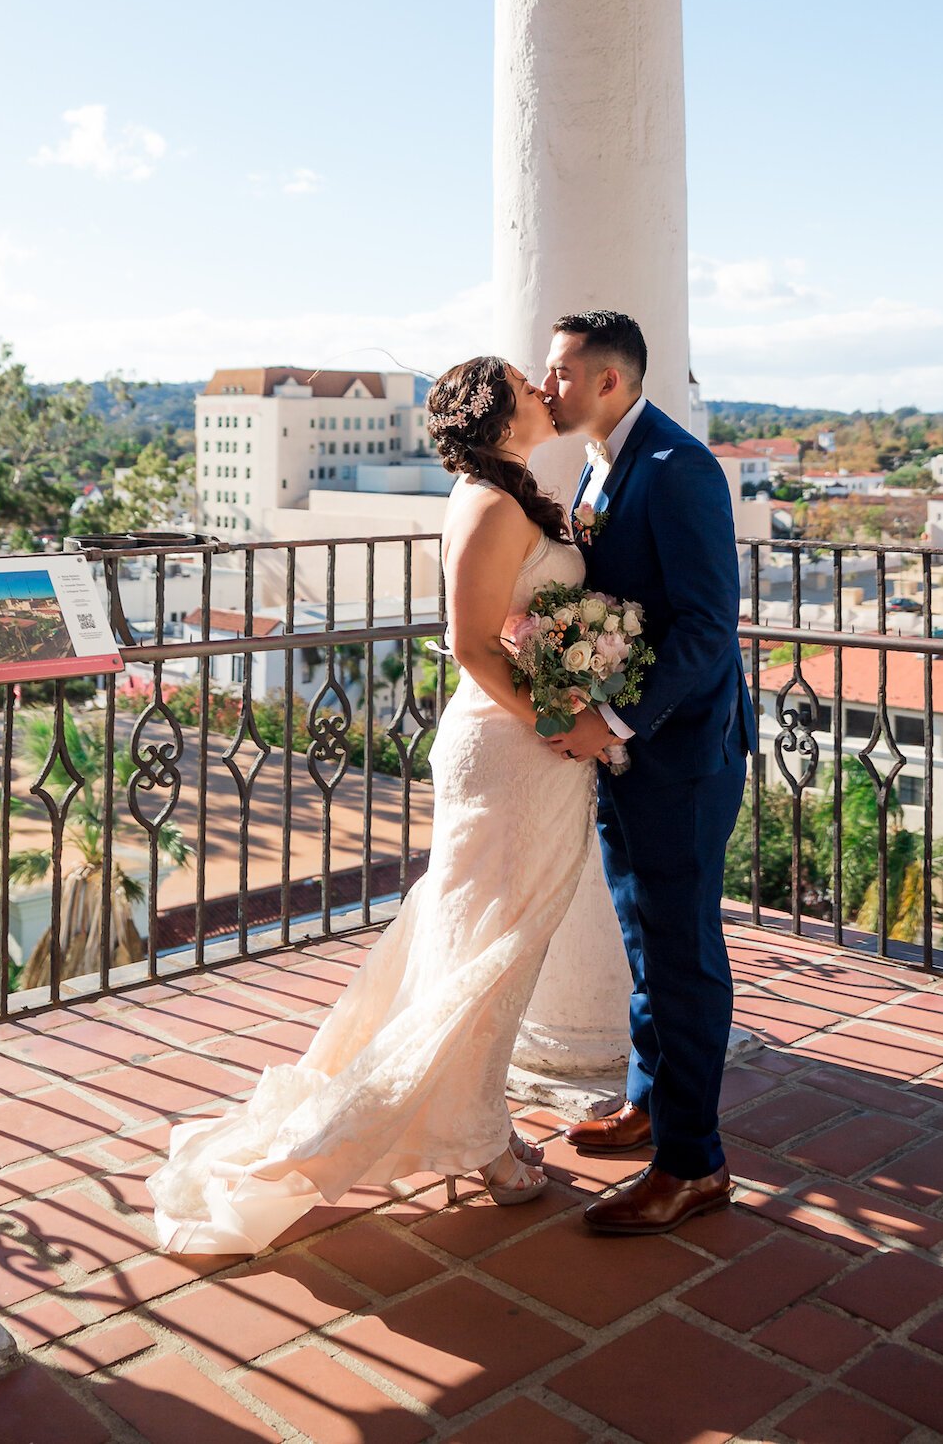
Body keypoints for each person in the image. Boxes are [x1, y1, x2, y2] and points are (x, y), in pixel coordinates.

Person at [146, 355, 618, 1255]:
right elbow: (472, 645)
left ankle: (472, 1122)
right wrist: (562, 718)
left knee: (492, 944)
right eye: (526, 382)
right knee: (490, 946)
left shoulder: (512, 496)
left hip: (537, 748)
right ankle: (481, 1141)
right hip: (512, 751)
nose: (540, 390)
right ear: (494, 409)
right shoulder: (485, 503)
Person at [541, 310, 756, 1236]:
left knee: (684, 954)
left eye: (559, 373)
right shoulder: (598, 457)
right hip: (627, 748)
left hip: (681, 753)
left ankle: (694, 1164)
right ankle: (646, 1100)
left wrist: (612, 718)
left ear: (609, 382)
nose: (545, 386)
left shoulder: (679, 468)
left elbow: (710, 627)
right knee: (643, 935)